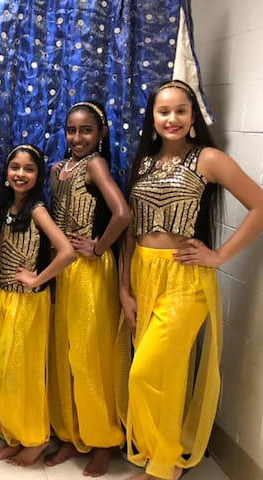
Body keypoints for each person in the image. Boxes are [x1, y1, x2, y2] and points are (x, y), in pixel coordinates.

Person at [120, 79, 263, 480]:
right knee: (162, 375)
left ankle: (164, 464)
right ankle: (160, 458)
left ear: (193, 116)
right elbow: (131, 231)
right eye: (163, 111)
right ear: (152, 117)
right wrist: (123, 288)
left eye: (181, 110)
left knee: (145, 372)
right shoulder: (144, 162)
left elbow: (259, 205)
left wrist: (218, 256)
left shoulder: (209, 159)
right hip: (143, 275)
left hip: (185, 280)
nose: (172, 118)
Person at [45, 101, 131, 476]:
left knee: (88, 355)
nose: (77, 138)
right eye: (71, 130)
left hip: (90, 272)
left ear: (101, 134)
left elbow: (123, 213)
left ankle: (103, 440)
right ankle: (69, 432)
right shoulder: (60, 169)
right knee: (63, 352)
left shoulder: (95, 165)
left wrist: (97, 247)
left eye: (86, 131)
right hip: (63, 269)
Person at [0, 144, 75, 466]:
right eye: (15, 167)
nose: (20, 174)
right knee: (4, 372)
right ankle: (15, 436)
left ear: (38, 176)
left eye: (28, 169)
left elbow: (67, 252)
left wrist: (38, 279)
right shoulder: (8, 208)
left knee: (25, 374)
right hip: (6, 299)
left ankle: (36, 439)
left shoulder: (37, 209)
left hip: (29, 304)